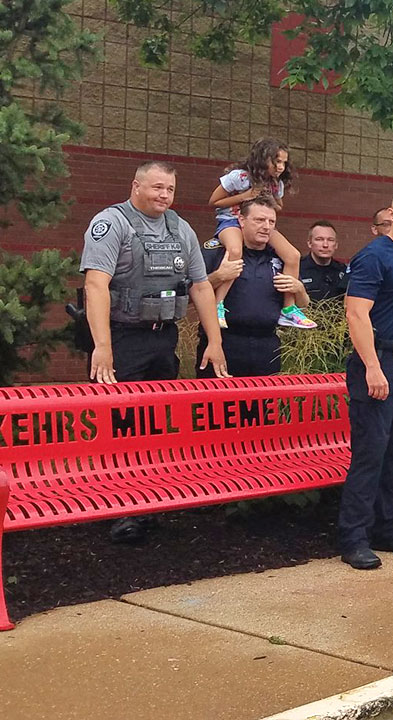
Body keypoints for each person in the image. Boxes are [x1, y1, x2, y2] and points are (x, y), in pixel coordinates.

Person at [80, 160, 229, 544]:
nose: (164, 196)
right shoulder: (112, 224)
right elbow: (96, 285)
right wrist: (102, 347)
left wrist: (214, 340)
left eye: (170, 190)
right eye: (157, 188)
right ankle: (117, 509)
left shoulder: (180, 229)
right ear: (136, 186)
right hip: (122, 338)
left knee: (154, 424)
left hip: (163, 338)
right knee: (118, 426)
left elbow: (199, 286)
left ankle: (147, 500)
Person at [336, 189, 393, 570]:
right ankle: (353, 537)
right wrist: (372, 366)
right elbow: (356, 314)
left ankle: (387, 528)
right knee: (370, 453)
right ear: (392, 213)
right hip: (380, 362)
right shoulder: (374, 255)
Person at [206, 137, 314, 330]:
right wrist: (245, 197)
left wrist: (268, 201)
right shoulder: (240, 177)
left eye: (284, 163)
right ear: (264, 159)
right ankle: (217, 304)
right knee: (235, 250)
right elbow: (214, 202)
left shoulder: (275, 184)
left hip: (258, 222)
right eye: (277, 161)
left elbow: (278, 206)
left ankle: (288, 310)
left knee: (293, 255)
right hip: (231, 220)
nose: (281, 167)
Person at [199, 198, 310, 377]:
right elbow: (193, 292)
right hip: (224, 342)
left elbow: (304, 304)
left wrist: (299, 289)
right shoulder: (221, 250)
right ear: (241, 220)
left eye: (271, 222)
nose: (266, 226)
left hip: (267, 347)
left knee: (264, 405)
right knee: (220, 404)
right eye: (259, 220)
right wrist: (219, 276)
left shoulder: (281, 256)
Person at [298, 220, 349, 301]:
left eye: (330, 240)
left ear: (336, 245)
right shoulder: (298, 268)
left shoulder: (343, 271)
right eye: (319, 239)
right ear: (309, 243)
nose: (325, 245)